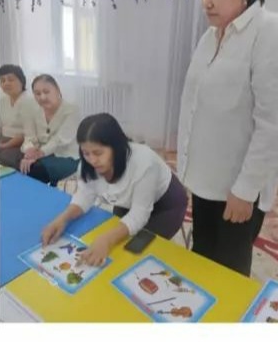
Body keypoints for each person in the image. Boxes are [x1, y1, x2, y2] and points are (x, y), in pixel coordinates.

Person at [177, 0, 278, 276]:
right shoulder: (209, 37)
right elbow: (195, 105)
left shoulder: (271, 31)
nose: (206, 2)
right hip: (205, 178)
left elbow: (273, 126)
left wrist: (245, 191)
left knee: (228, 273)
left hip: (237, 187)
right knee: (201, 259)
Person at [40, 113, 189, 265]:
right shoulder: (88, 164)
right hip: (128, 201)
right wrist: (62, 219)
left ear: (116, 147)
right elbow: (84, 195)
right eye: (86, 153)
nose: (92, 160)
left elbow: (139, 214)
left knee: (140, 252)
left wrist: (107, 239)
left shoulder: (144, 163)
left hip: (166, 206)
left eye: (98, 153)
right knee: (118, 247)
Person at [19, 74, 81, 185]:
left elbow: (60, 140)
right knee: (25, 166)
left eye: (46, 92)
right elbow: (29, 136)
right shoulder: (32, 110)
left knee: (34, 170)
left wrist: (39, 154)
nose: (42, 97)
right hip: (42, 153)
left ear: (57, 90)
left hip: (66, 155)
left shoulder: (72, 110)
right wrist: (30, 151)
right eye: (37, 94)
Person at [0, 63, 36, 169]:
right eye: (2, 80)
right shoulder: (2, 101)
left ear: (22, 81)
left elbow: (27, 134)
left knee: (4, 157)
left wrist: (3, 146)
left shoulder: (29, 101)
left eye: (11, 79)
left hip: (22, 143)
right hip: (3, 140)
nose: (6, 83)